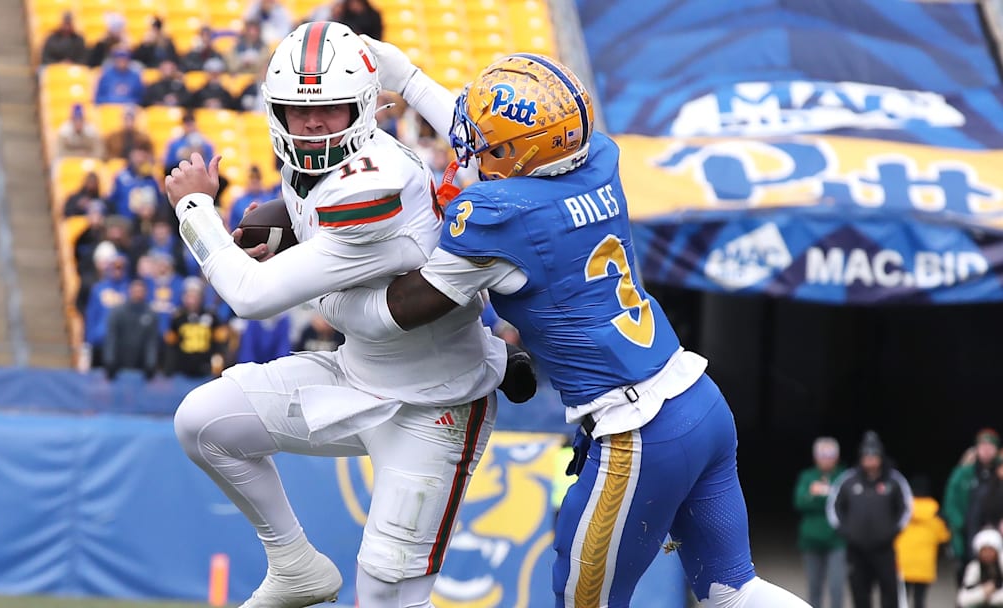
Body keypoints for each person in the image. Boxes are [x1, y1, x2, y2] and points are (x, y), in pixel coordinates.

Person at [324, 42, 811, 607]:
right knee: (733, 591)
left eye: (485, 145)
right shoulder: (597, 158)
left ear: (517, 154)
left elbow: (406, 310)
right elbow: (489, 140)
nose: (469, 150)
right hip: (696, 398)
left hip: (637, 429)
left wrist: (329, 290)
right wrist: (406, 79)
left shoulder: (502, 218)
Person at [163, 22, 534, 608]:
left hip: (436, 403)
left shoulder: (376, 184)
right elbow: (305, 203)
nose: (312, 125)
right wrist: (277, 223)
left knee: (384, 590)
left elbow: (252, 298)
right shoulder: (323, 164)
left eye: (331, 110)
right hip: (357, 376)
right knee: (203, 423)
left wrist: (193, 208)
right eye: (297, 111)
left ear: (362, 106)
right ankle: (293, 565)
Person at [826, 431, 913, 608]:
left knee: (890, 595)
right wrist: (845, 532)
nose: (870, 460)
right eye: (866, 455)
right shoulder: (848, 479)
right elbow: (833, 506)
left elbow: (907, 508)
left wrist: (892, 532)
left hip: (884, 549)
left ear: (881, 457)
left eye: (874, 456)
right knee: (860, 595)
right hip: (856, 551)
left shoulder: (894, 480)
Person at [794, 436, 846, 608]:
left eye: (830, 455)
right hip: (811, 540)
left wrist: (822, 496)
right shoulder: (807, 476)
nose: (826, 459)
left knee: (836, 586)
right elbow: (800, 502)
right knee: (814, 587)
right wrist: (814, 496)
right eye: (822, 455)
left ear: (837, 456)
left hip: (837, 540)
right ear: (815, 456)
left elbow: (846, 504)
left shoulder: (844, 476)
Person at [947, 429, 1002, 579]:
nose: (986, 451)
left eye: (990, 447)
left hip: (997, 537)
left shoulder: (1000, 472)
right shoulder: (963, 473)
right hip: (968, 537)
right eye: (982, 446)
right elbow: (950, 502)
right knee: (967, 579)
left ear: (996, 450)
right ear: (976, 449)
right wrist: (960, 524)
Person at [894, 476, 950, 608]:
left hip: (903, 562)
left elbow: (892, 532)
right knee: (919, 599)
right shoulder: (935, 512)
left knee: (902, 599)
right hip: (925, 564)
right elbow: (944, 537)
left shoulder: (902, 510)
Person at [102, 277, 158, 379]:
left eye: (141, 291)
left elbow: (151, 341)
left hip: (141, 366)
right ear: (129, 291)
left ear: (145, 293)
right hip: (119, 365)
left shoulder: (150, 314)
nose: (138, 294)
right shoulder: (118, 312)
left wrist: (151, 363)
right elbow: (112, 338)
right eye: (135, 291)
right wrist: (109, 360)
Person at [958, 529, 1003, 607]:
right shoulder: (974, 567)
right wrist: (983, 592)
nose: (987, 554)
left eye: (991, 550)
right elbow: (962, 598)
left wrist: (992, 594)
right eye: (984, 550)